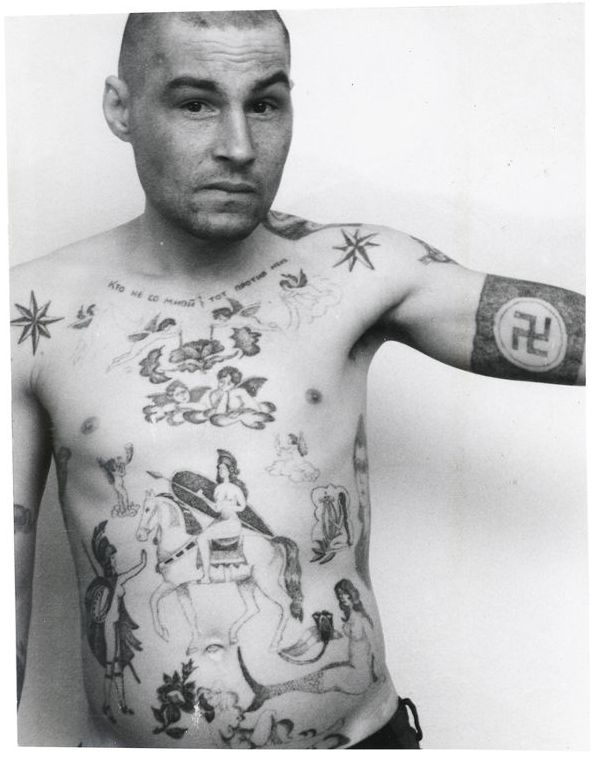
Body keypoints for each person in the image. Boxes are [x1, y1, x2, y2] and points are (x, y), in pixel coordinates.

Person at [10, 9, 585, 750]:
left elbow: (561, 334)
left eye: (265, 103)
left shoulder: (358, 274)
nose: (238, 146)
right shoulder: (33, 315)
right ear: (121, 109)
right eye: (196, 103)